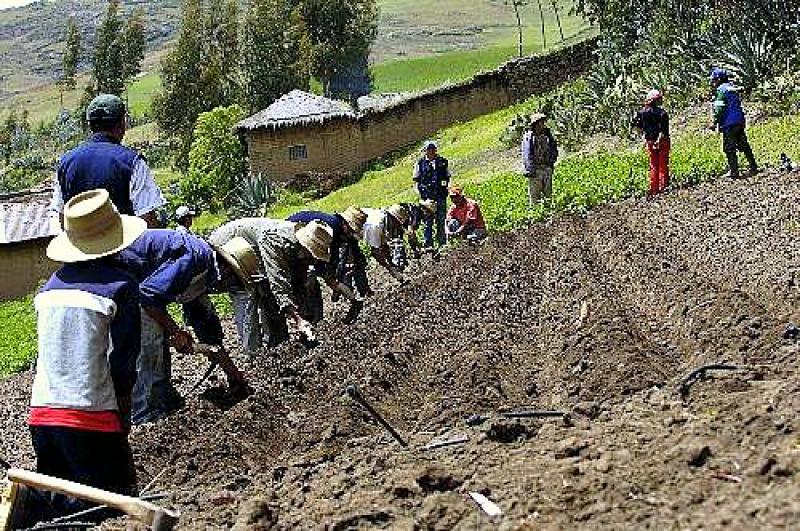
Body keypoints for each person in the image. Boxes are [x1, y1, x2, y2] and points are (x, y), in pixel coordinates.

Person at [25, 189, 145, 525]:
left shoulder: (50, 288)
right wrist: (123, 414)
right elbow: (123, 362)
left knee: (60, 512)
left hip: (43, 417)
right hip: (90, 418)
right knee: (113, 512)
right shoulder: (121, 286)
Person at [114, 229, 249, 425]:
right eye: (234, 281)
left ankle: (165, 400)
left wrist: (234, 375)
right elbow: (148, 298)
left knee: (157, 335)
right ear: (227, 271)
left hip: (137, 287)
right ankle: (145, 415)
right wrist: (175, 332)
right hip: (120, 279)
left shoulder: (203, 274)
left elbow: (208, 334)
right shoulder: (195, 260)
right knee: (151, 342)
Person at [209, 219, 334, 355]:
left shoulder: (299, 249)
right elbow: (278, 284)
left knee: (270, 293)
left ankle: (278, 343)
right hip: (228, 249)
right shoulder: (274, 240)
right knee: (249, 296)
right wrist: (297, 319)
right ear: (305, 246)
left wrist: (303, 315)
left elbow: (298, 281)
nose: (313, 259)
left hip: (253, 251)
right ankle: (255, 354)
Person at [51, 94, 165, 227]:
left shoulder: (65, 163)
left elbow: (62, 216)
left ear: (89, 126)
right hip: (125, 245)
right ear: (122, 123)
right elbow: (146, 218)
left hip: (81, 246)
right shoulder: (132, 162)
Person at [709, 68, 758, 178]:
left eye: (714, 80)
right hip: (739, 120)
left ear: (719, 79)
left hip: (728, 123)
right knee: (744, 145)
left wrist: (714, 122)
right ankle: (753, 166)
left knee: (729, 148)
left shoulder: (721, 90)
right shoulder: (732, 88)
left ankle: (734, 171)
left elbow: (719, 108)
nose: (712, 83)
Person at [412, 141, 451, 249]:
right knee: (427, 222)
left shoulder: (443, 161)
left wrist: (445, 188)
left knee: (441, 220)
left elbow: (447, 177)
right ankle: (428, 244)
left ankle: (442, 243)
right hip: (427, 198)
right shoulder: (420, 163)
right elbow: (416, 180)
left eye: (433, 149)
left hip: (441, 196)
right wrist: (421, 196)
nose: (431, 151)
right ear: (425, 151)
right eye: (429, 149)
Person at [632, 89, 671, 196]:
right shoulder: (662, 113)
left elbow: (637, 126)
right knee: (663, 164)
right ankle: (664, 188)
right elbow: (664, 131)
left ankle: (654, 189)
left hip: (650, 141)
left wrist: (647, 136)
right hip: (662, 141)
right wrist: (658, 141)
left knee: (654, 165)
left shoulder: (641, 113)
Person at [361, 204, 411, 281]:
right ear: (393, 220)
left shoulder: (383, 216)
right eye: (397, 224)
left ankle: (395, 269)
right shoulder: (376, 227)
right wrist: (389, 268)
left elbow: (384, 244)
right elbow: (375, 252)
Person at [521, 113, 559, 206]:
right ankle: (537, 216)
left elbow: (553, 148)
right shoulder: (529, 137)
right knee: (535, 197)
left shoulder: (547, 135)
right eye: (541, 122)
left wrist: (551, 163)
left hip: (546, 168)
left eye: (543, 122)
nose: (543, 124)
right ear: (536, 124)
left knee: (548, 194)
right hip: (535, 170)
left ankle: (549, 213)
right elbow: (527, 154)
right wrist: (530, 170)